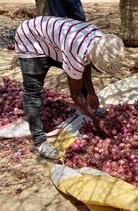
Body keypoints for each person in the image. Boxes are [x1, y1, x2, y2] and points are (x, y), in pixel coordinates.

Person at [15, 16, 125, 159]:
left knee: (78, 74)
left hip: (53, 41)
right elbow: (75, 93)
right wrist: (95, 120)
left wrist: (91, 93)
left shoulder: (102, 40)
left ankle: (87, 108)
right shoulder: (77, 50)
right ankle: (39, 141)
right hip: (30, 40)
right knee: (33, 92)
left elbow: (85, 64)